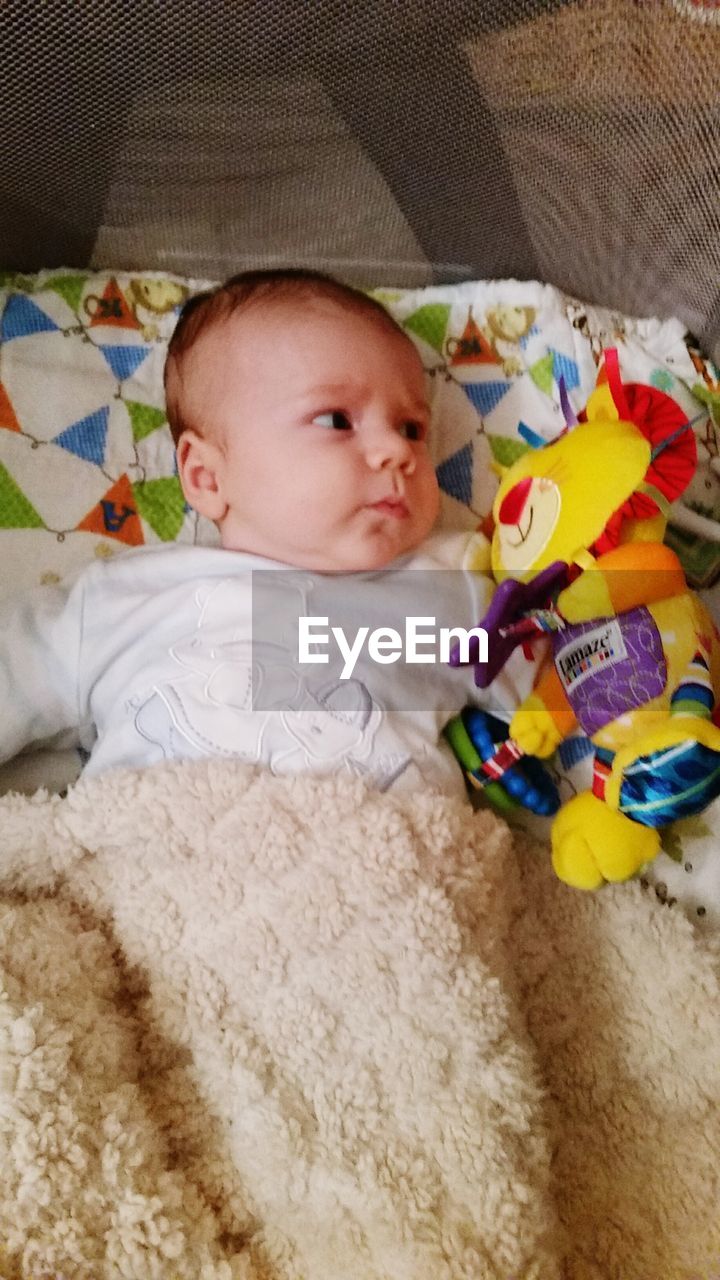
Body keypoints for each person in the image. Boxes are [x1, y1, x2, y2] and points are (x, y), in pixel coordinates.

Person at [0, 269, 536, 795]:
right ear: (207, 477)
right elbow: (15, 679)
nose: (397, 451)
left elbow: (567, 689)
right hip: (157, 850)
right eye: (336, 421)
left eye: (412, 428)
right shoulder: (125, 598)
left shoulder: (446, 592)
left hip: (369, 860)